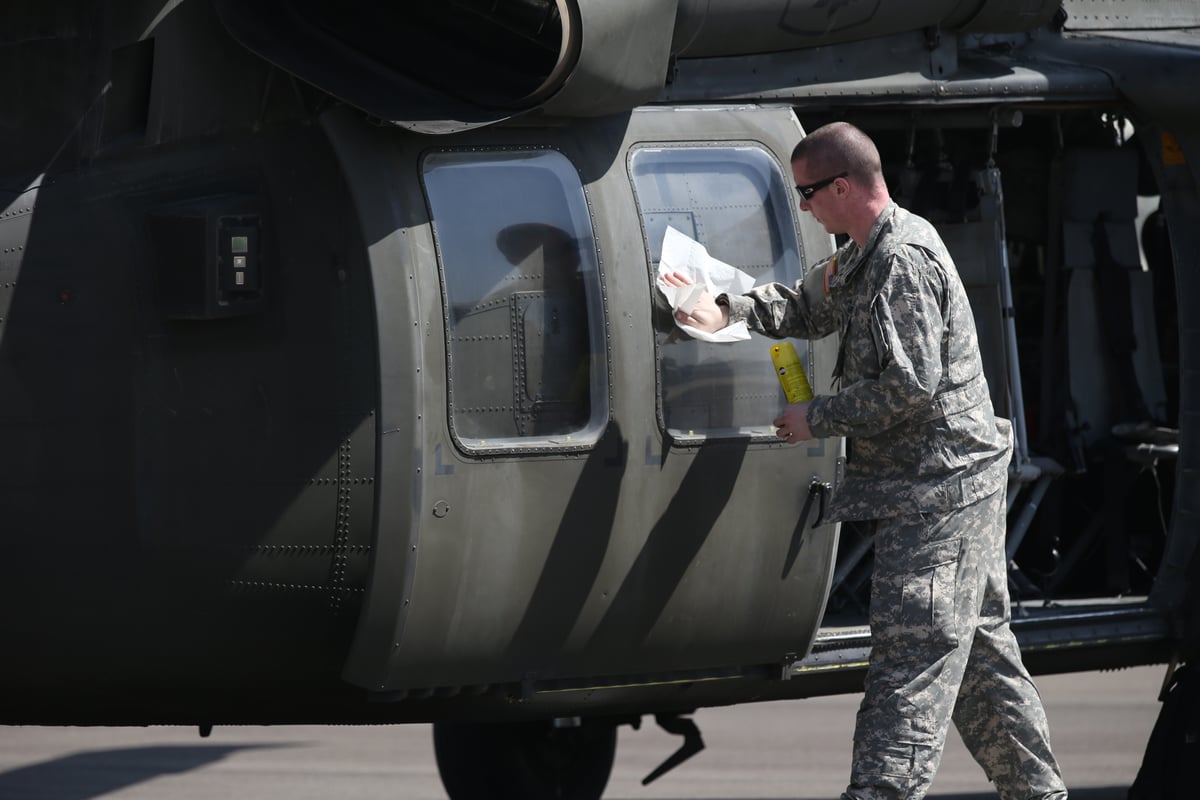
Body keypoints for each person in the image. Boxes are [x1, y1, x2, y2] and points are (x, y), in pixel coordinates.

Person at [663, 121, 1067, 800]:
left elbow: (911, 386)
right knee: (980, 660)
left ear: (842, 186)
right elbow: (806, 303)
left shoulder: (902, 261)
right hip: (939, 485)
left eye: (808, 192)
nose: (803, 206)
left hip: (941, 493)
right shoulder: (863, 254)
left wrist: (813, 418)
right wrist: (724, 307)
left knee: (912, 655)